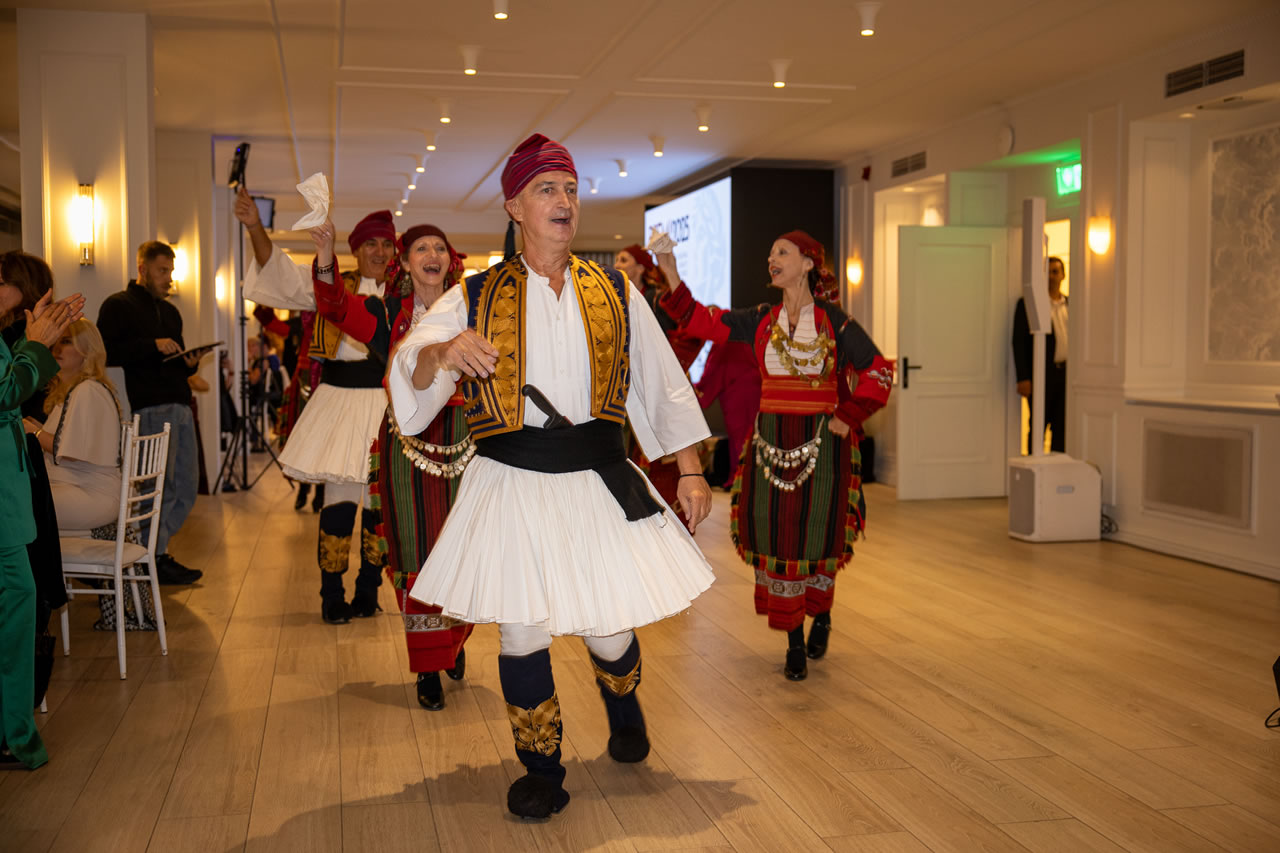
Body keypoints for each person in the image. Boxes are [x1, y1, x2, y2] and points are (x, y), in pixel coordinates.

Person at [389, 133, 715, 820]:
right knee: (522, 629)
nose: (564, 200)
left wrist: (689, 468)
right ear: (515, 206)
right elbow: (411, 365)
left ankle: (623, 706)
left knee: (608, 629)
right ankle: (542, 768)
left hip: (598, 474)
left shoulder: (615, 290)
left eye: (570, 188)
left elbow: (662, 381)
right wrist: (444, 352)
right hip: (512, 479)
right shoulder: (473, 294)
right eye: (547, 189)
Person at [658, 231, 893, 681]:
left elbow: (879, 371)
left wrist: (849, 414)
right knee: (777, 537)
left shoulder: (835, 322)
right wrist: (669, 267)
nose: (771, 258)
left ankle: (821, 614)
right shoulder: (760, 319)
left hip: (823, 445)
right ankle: (794, 642)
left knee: (818, 534)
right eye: (770, 253)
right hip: (770, 442)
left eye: (782, 252)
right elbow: (701, 321)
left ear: (808, 263)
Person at [307, 219, 473, 710]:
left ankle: (454, 640)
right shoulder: (387, 312)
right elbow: (335, 307)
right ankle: (428, 667)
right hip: (406, 444)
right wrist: (325, 255)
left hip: (464, 441)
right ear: (404, 262)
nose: (432, 255)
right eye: (421, 248)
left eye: (439, 247)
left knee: (463, 550)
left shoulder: (470, 309)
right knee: (415, 553)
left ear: (449, 260)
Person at [237, 185, 395, 623]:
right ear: (355, 250)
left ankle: (368, 590)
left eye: (386, 244)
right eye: (371, 244)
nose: (380, 252)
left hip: (387, 405)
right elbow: (280, 275)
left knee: (379, 509)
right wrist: (255, 227)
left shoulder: (406, 295)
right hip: (339, 403)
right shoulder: (333, 286)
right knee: (339, 503)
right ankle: (331, 593)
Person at [0, 254, 83, 770]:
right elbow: (8, 393)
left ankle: (15, 733)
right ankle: (15, 735)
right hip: (6, 487)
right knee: (20, 601)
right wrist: (36, 343)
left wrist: (36, 341)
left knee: (22, 601)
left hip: (11, 484)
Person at [97, 241, 203, 585]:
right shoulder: (119, 305)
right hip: (152, 406)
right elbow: (105, 351)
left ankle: (153, 552)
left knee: (186, 487)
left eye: (171, 271)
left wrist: (190, 363)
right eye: (162, 271)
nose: (169, 278)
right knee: (156, 486)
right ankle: (150, 557)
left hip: (181, 404)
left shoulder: (170, 312)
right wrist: (151, 345)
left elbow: (175, 362)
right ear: (142, 269)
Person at [24, 320, 123, 533]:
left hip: (92, 494)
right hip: (75, 487)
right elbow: (67, 440)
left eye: (67, 342)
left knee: (13, 503)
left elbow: (69, 452)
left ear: (87, 350)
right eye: (56, 341)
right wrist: (37, 428)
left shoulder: (87, 390)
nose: (57, 349)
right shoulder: (73, 390)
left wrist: (34, 432)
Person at [252, 305, 324, 510]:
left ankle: (321, 491)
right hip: (303, 381)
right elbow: (277, 327)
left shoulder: (331, 317)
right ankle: (304, 487)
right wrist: (262, 307)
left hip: (325, 382)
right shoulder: (302, 321)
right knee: (302, 438)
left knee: (323, 439)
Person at [1012, 256, 1067, 453]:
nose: (1051, 277)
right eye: (1048, 272)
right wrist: (1023, 377)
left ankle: (1058, 465)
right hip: (1041, 374)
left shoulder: (1071, 304)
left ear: (1063, 275)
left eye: (1055, 272)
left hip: (1065, 374)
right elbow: (1018, 342)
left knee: (1062, 426)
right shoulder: (1029, 304)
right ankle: (1034, 463)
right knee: (1038, 424)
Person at [693, 337, 762, 488]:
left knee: (740, 439)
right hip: (752, 389)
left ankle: (739, 480)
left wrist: (696, 389)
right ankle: (745, 479)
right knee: (747, 437)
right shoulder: (738, 339)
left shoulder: (724, 343)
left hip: (740, 394)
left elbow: (713, 371)